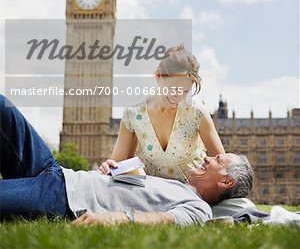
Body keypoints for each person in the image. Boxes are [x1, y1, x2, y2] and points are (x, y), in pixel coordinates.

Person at [0, 94, 253, 226]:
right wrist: (113, 170)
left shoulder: (198, 208)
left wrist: (116, 218)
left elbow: (162, 220)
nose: (209, 158)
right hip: (57, 171)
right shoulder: (179, 185)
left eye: (218, 160)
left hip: (62, 196)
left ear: (226, 183)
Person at [99, 44, 225, 182]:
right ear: (158, 75)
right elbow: (117, 164)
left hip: (192, 192)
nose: (178, 96)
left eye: (185, 91)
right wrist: (109, 167)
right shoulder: (133, 114)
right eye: (174, 87)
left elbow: (223, 166)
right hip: (151, 192)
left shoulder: (197, 113)